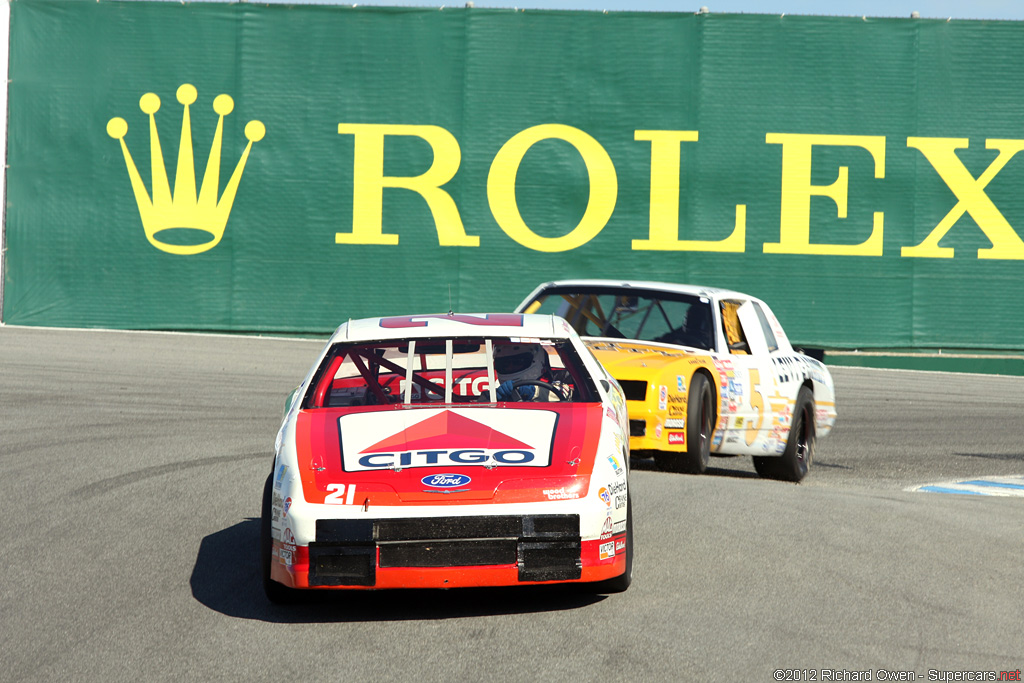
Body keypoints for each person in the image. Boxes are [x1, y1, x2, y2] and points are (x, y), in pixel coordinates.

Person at [491, 343, 570, 401]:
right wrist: (495, 399)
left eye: (517, 362)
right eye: (504, 364)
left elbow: (565, 392)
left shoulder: (553, 383)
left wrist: (533, 392)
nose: (510, 367)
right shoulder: (496, 386)